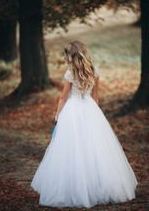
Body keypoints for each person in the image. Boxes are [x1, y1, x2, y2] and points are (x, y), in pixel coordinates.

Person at [31, 41, 138, 208]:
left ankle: (74, 187)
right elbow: (96, 96)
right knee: (94, 148)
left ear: (71, 56)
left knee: (72, 149)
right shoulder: (94, 71)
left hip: (72, 112)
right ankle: (99, 184)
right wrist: (94, 114)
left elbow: (63, 98)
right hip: (90, 109)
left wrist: (58, 114)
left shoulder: (70, 73)